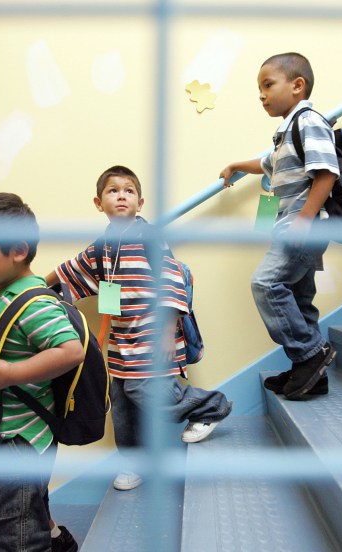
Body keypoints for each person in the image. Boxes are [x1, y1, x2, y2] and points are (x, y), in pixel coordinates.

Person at [46, 165, 232, 492]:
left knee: (144, 390)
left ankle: (211, 406)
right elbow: (70, 271)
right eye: (113, 191)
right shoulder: (103, 246)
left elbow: (171, 279)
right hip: (122, 341)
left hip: (153, 334)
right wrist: (34, 286)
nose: (121, 196)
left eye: (129, 191)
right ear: (98, 202)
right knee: (122, 405)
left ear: (140, 202)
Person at [0, 192, 84, 552]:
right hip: (13, 444)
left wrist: (10, 373)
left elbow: (71, 350)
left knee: (0, 538)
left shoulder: (31, 304)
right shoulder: (0, 291)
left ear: (18, 250)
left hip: (12, 449)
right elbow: (2, 341)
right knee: (21, 522)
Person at [219, 52, 339, 400]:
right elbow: (266, 163)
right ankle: (312, 374)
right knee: (300, 299)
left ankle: (310, 354)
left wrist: (304, 220)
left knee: (266, 283)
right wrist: (235, 166)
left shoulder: (309, 121)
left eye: (268, 85)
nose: (262, 95)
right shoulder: (286, 132)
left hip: (303, 224)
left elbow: (327, 173)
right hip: (297, 223)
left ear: (297, 85)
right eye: (260, 88)